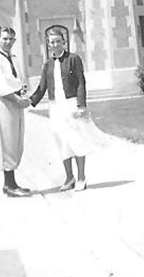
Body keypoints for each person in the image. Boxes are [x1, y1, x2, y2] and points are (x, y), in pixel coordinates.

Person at [30, 28, 99, 192]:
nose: (54, 45)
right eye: (51, 42)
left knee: (77, 141)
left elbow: (81, 82)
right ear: (48, 45)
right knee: (62, 143)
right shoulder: (48, 64)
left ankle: (81, 177)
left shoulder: (73, 59)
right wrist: (28, 102)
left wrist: (81, 105)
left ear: (64, 42)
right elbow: (42, 87)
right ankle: (69, 177)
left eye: (57, 41)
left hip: (71, 104)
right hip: (55, 107)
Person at [0, 27, 32, 197]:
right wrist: (17, 99)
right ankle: (9, 185)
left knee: (16, 142)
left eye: (12, 39)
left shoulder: (13, 59)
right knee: (7, 142)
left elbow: (19, 80)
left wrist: (24, 94)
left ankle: (13, 183)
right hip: (4, 103)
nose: (8, 42)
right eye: (5, 38)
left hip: (16, 103)